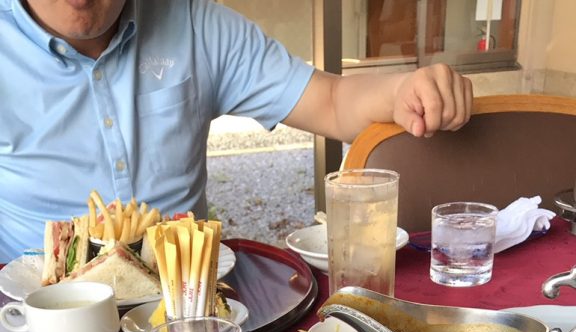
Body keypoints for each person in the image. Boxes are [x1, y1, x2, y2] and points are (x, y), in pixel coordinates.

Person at [0, 0, 473, 263]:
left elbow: (330, 102)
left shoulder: (193, 22)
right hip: (35, 317)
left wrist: (403, 89)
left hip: (187, 305)